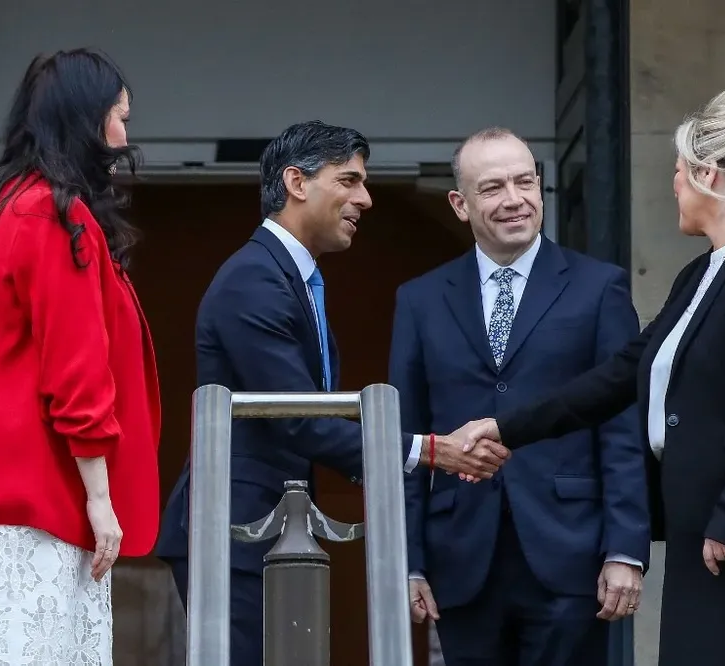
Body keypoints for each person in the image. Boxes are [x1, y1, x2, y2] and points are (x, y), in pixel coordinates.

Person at [449, 86, 725, 666]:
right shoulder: (700, 274)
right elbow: (616, 377)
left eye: (680, 173)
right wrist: (503, 428)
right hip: (702, 524)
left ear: (708, 174)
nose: (674, 186)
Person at [154, 120, 510, 666]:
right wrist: (430, 450)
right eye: (349, 181)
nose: (365, 199)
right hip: (234, 530)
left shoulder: (289, 277)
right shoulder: (255, 279)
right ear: (297, 183)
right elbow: (299, 418)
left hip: (265, 531)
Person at [0, 49, 161, 665]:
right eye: (120, 117)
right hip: (36, 491)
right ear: (88, 121)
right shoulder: (54, 216)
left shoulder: (8, 207)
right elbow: (77, 373)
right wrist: (101, 502)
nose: (124, 136)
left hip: (2, 489)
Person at [389, 127, 650, 666]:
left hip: (571, 553)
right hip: (460, 558)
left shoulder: (600, 288)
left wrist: (625, 550)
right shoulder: (418, 301)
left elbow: (622, 426)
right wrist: (408, 560)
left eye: (524, 181)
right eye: (493, 188)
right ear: (460, 204)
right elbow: (408, 438)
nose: (514, 200)